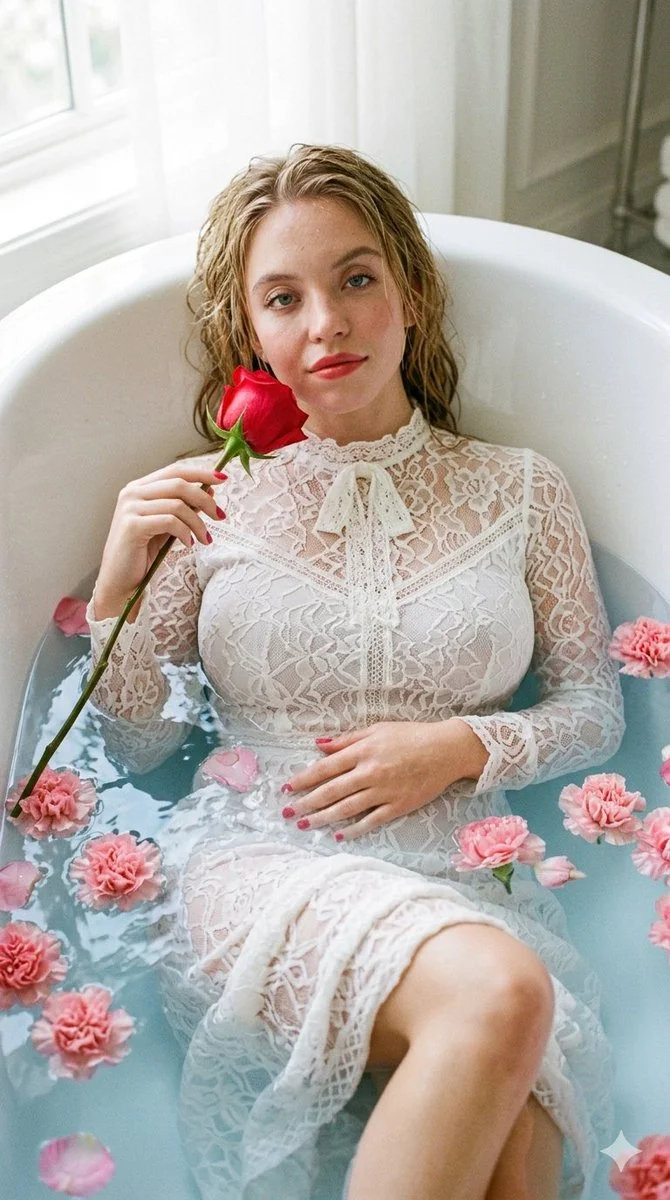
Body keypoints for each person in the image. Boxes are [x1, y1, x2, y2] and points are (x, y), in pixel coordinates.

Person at [85, 143, 625, 1200]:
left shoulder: (522, 488)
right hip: (260, 861)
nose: (326, 322)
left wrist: (462, 746)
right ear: (251, 334)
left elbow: (594, 709)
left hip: (468, 875)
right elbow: (136, 746)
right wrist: (116, 586)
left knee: (521, 1165)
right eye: (283, 298)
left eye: (356, 279)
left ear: (410, 292)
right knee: (502, 999)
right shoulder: (209, 501)